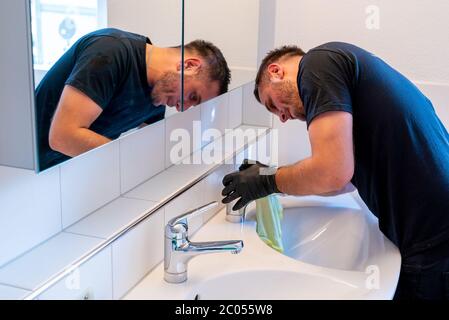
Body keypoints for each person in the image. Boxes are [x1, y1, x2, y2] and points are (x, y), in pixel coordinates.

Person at [222, 42, 449, 300]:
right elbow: (342, 181)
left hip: (433, 237)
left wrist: (268, 182)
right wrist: (268, 175)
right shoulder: (346, 69)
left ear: (276, 71)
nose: (282, 118)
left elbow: (332, 172)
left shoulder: (316, 64)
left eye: (272, 105)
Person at [36, 28, 230, 171]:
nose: (182, 108)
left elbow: (146, 153)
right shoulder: (110, 51)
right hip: (20, 171)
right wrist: (130, 161)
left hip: (60, 176)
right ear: (189, 65)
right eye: (193, 96)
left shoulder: (158, 97)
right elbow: (62, 137)